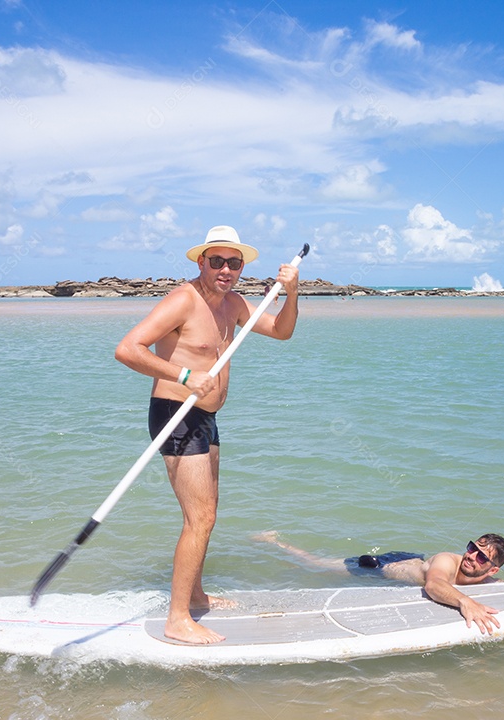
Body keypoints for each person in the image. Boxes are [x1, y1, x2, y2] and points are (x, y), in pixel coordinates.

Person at [115, 226, 300, 644]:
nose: (225, 269)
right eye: (216, 261)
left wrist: (290, 294)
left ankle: (195, 596)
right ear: (201, 262)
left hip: (206, 418)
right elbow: (128, 349)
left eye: (233, 263)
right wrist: (184, 373)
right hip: (174, 413)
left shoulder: (233, 303)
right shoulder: (183, 300)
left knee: (206, 515)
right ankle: (177, 618)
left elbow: (282, 331)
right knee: (200, 517)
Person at [254, 531, 504, 636]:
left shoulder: (488, 581)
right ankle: (276, 543)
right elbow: (434, 586)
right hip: (381, 566)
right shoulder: (447, 560)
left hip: (410, 564)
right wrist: (465, 602)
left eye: (482, 557)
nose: (472, 557)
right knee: (319, 567)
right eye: (472, 548)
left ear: (493, 570)